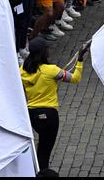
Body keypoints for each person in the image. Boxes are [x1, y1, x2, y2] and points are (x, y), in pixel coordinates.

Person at [20, 37, 89, 171]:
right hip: (49, 116)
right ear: (43, 53)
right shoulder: (51, 70)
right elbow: (75, 78)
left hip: (31, 115)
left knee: (40, 149)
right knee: (45, 153)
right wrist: (79, 59)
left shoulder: (22, 69)